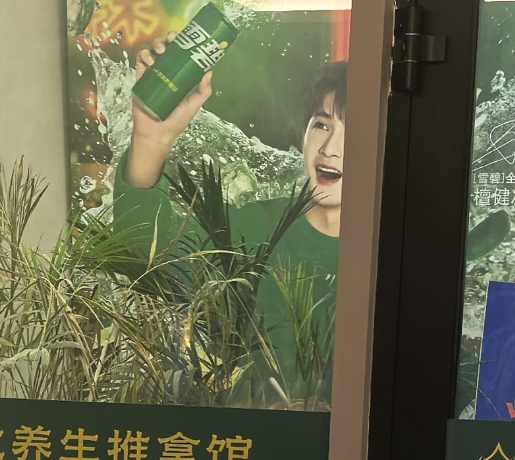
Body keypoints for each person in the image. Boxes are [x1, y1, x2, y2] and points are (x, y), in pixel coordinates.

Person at [115, 51, 344, 403]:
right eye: (322, 125)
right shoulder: (253, 229)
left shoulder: (400, 257)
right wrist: (151, 139)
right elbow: (148, 260)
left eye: (356, 132)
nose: (330, 149)